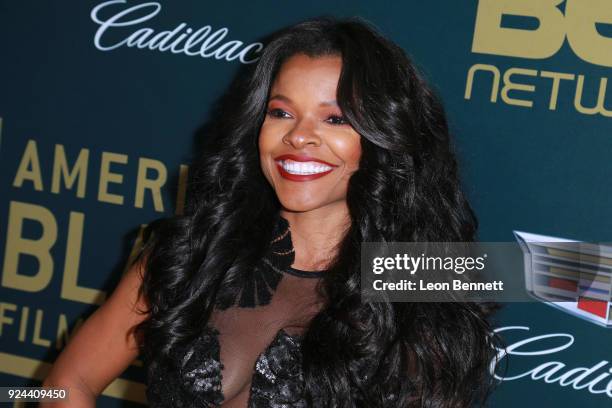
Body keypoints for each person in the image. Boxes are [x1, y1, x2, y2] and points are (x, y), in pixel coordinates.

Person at [42, 16, 498, 407]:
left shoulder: (426, 272)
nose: (299, 136)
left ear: (384, 137)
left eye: (335, 119)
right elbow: (63, 386)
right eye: (281, 112)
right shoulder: (193, 251)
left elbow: (559, 275)